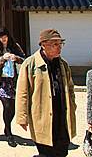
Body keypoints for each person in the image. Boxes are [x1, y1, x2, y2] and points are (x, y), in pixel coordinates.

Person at [16, 28, 77, 157]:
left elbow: (70, 88)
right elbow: (22, 92)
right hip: (42, 115)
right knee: (46, 151)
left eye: (60, 44)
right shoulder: (30, 64)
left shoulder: (63, 64)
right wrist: (22, 117)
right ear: (43, 45)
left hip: (62, 115)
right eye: (55, 44)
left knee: (62, 151)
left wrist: (73, 105)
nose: (59, 47)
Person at [0, 28, 25, 147]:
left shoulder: (15, 46)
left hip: (14, 80)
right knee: (6, 106)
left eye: (4, 36)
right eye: (1, 36)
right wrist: (2, 59)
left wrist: (16, 58)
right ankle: (9, 132)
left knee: (13, 108)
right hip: (2, 81)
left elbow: (24, 59)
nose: (3, 38)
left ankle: (7, 127)